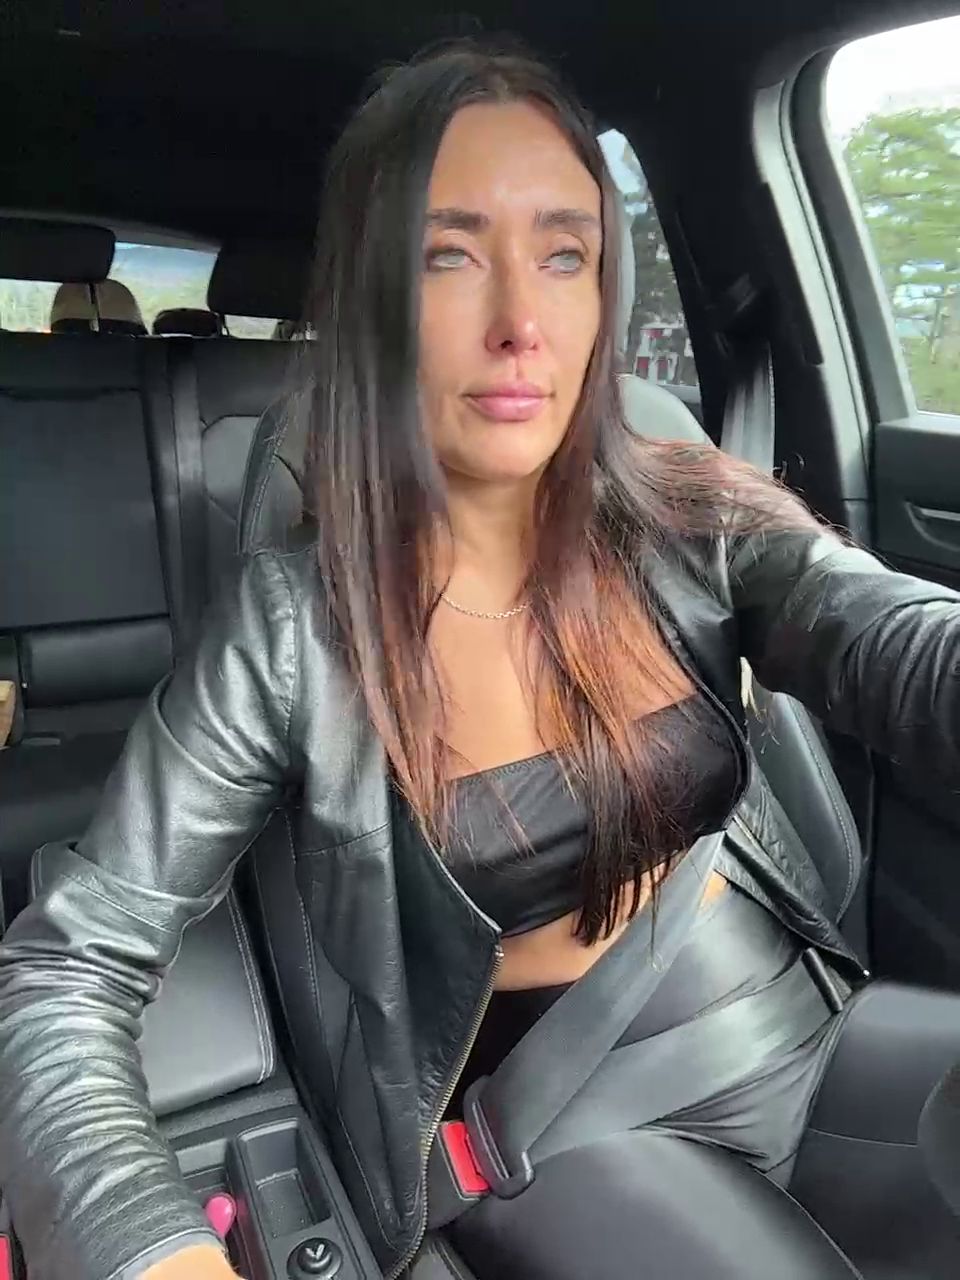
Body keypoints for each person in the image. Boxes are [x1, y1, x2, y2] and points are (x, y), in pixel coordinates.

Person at [0, 40, 959, 1280]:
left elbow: (903, 644)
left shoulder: (694, 512)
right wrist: (149, 1248)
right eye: (449, 255)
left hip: (807, 1013)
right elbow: (64, 966)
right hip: (582, 1126)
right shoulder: (294, 627)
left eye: (563, 254)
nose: (520, 323)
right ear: (372, 301)